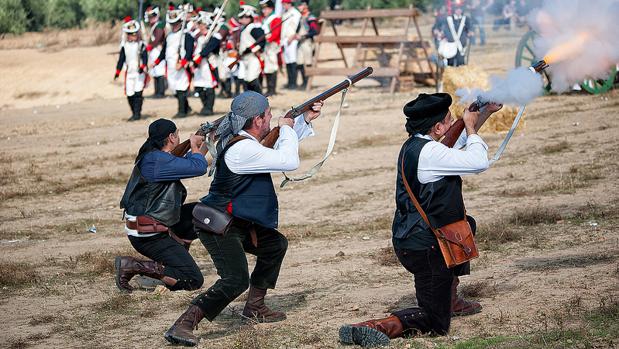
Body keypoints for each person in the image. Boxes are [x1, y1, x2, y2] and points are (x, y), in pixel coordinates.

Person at [338, 93, 502, 348]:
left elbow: (456, 147)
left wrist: (484, 113)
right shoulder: (431, 153)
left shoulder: (418, 146)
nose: (451, 124)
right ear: (437, 127)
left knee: (466, 224)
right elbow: (478, 161)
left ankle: (450, 298)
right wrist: (470, 125)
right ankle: (374, 327)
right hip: (427, 248)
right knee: (437, 323)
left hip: (416, 241)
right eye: (448, 120)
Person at [163, 91, 323, 347]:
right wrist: (287, 127)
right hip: (219, 225)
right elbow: (288, 159)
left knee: (275, 245)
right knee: (235, 280)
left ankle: (255, 306)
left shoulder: (247, 143)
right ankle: (184, 323)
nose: (272, 117)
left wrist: (303, 120)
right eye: (268, 114)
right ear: (258, 120)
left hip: (237, 221)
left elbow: (278, 147)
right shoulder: (243, 149)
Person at [115, 118, 208, 293]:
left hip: (150, 226)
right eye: (178, 134)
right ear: (172, 137)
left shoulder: (156, 157)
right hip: (149, 235)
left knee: (199, 213)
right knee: (192, 279)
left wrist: (205, 143)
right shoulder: (157, 161)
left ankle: (174, 258)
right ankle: (133, 266)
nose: (179, 138)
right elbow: (198, 168)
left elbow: (191, 163)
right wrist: (195, 145)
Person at [153, 6, 195, 118]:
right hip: (171, 66)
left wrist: (182, 62)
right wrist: (157, 61)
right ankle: (187, 108)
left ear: (181, 22)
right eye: (172, 23)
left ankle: (182, 111)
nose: (174, 25)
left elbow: (189, 51)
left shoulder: (187, 35)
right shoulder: (169, 36)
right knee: (175, 89)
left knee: (181, 88)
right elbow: (164, 51)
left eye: (176, 22)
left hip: (181, 66)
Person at [114, 17, 148, 122]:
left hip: (139, 72)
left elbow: (145, 57)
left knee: (138, 93)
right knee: (130, 94)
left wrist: (143, 66)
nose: (133, 36)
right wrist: (117, 72)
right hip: (129, 72)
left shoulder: (141, 45)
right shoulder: (124, 46)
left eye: (134, 33)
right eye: (130, 34)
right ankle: (134, 112)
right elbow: (121, 60)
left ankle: (137, 114)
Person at [192, 11, 221, 116]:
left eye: (201, 24)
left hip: (209, 65)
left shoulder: (214, 37)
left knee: (209, 86)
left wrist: (201, 55)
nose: (199, 26)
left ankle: (209, 108)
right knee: (199, 86)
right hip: (199, 66)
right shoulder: (198, 37)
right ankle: (205, 105)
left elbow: (209, 49)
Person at [237, 5, 265, 93]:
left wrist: (251, 50)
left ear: (249, 17)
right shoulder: (245, 29)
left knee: (251, 78)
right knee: (246, 79)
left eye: (244, 17)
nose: (241, 19)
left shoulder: (254, 28)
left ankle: (261, 100)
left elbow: (262, 42)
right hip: (245, 58)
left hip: (253, 58)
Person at [294, 0, 319, 89]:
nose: (299, 7)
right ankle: (304, 82)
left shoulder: (310, 17)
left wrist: (304, 36)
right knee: (299, 63)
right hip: (301, 43)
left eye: (300, 5)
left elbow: (315, 31)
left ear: (305, 6)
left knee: (308, 63)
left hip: (307, 43)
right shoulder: (301, 17)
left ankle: (308, 83)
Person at [259, 0, 282, 96]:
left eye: (265, 8)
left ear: (271, 8)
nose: (263, 11)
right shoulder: (265, 19)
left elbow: (276, 34)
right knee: (267, 67)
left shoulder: (275, 18)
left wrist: (266, 40)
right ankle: (269, 89)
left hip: (272, 45)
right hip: (266, 45)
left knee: (272, 67)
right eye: (263, 9)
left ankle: (272, 89)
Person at [144, 5, 167, 98]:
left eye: (152, 16)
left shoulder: (159, 25)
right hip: (154, 51)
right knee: (155, 72)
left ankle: (161, 92)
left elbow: (158, 38)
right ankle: (157, 91)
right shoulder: (153, 26)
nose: (150, 19)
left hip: (158, 50)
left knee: (159, 71)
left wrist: (150, 46)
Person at [281, 0, 302, 89]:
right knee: (288, 62)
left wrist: (292, 37)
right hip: (285, 39)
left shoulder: (295, 13)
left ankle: (293, 83)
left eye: (285, 4)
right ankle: (290, 82)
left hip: (292, 39)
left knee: (293, 61)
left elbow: (297, 27)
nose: (284, 6)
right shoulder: (286, 13)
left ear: (289, 4)